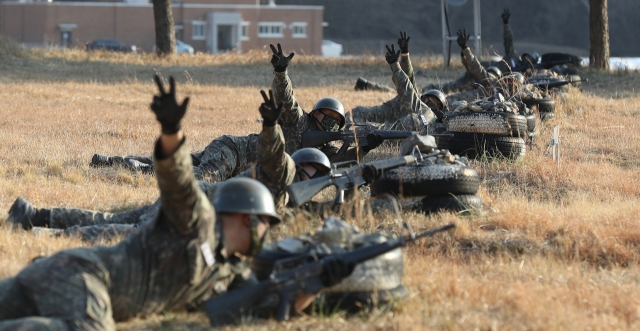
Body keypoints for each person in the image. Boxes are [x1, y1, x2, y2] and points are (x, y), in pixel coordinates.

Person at [0, 75, 353, 330]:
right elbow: (179, 182)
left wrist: (320, 282)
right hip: (82, 276)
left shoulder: (228, 274)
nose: (268, 230)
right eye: (264, 222)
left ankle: (36, 217)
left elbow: (270, 304)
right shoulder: (196, 222)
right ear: (244, 217)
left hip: (56, 282)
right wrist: (172, 133)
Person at [7, 88, 333, 242]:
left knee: (113, 219)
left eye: (315, 178)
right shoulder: (280, 179)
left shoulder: (284, 195)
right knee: (124, 232)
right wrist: (270, 127)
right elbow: (275, 157)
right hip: (191, 204)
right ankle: (41, 234)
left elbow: (320, 211)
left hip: (188, 198)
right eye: (307, 173)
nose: (308, 179)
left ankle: (36, 215)